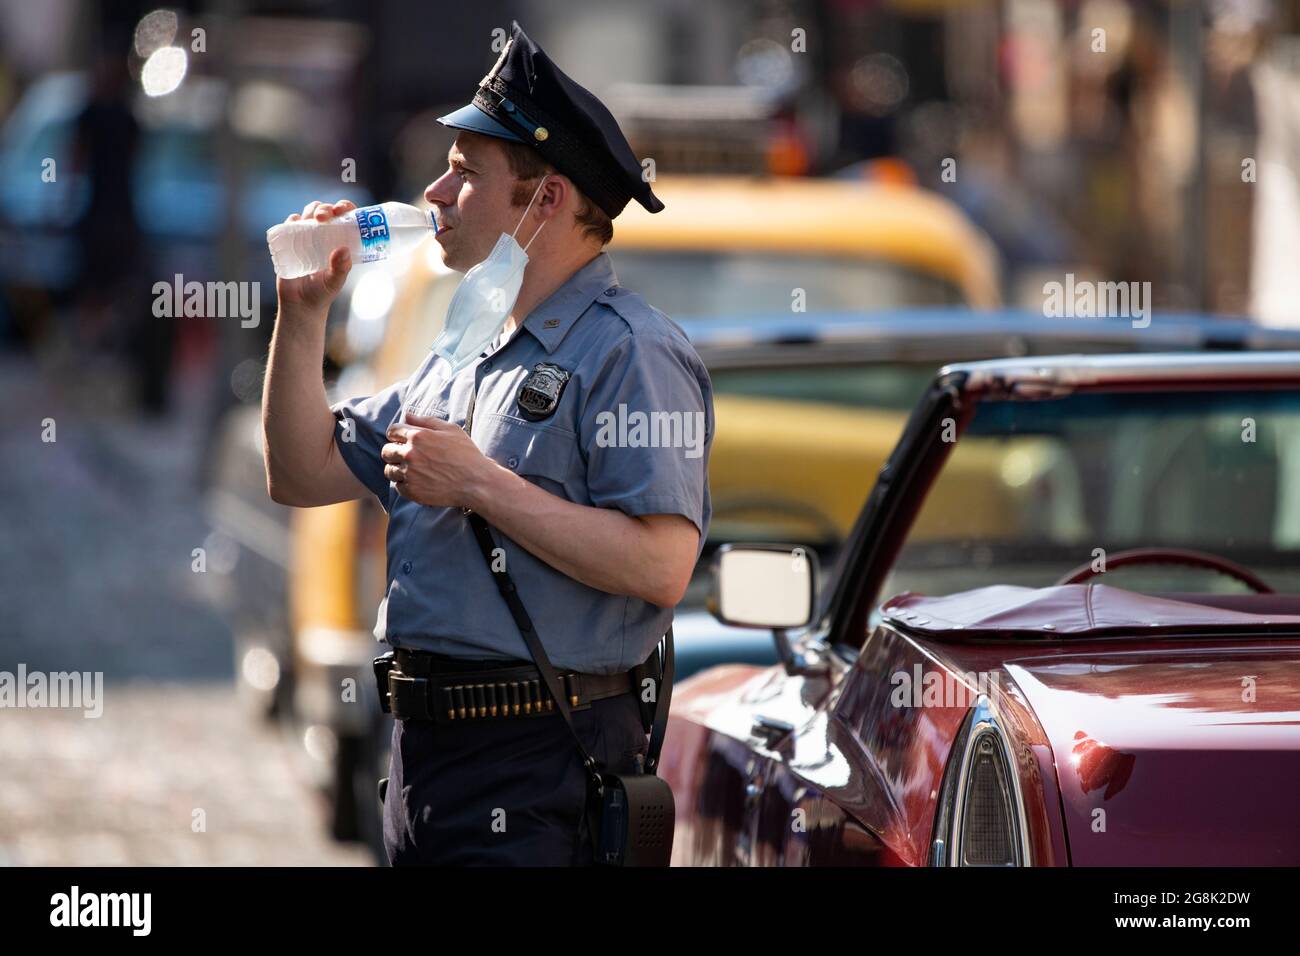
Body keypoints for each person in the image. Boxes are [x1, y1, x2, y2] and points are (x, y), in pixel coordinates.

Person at [261, 22, 713, 865]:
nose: (433, 192)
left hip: (537, 761)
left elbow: (661, 566)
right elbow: (301, 469)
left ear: (544, 200)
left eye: (466, 175)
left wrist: (478, 484)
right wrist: (303, 313)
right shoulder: (465, 348)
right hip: (425, 760)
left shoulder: (628, 350)